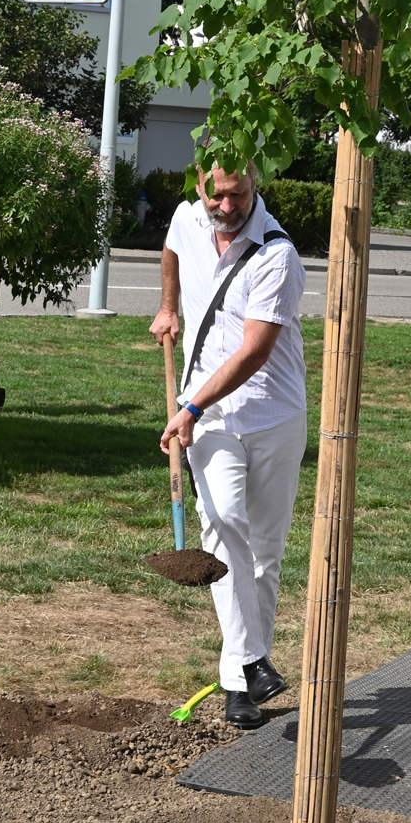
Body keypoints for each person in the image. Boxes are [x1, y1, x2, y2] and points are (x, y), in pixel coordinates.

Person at [154, 155, 308, 731]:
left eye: (237, 195)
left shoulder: (276, 253)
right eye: (215, 195)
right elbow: (172, 248)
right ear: (198, 185)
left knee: (263, 551)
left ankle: (238, 682)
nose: (225, 206)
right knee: (221, 530)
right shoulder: (188, 218)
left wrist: (189, 404)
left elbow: (254, 351)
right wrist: (169, 306)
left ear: (254, 186)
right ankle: (251, 663)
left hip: (272, 415)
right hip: (210, 420)